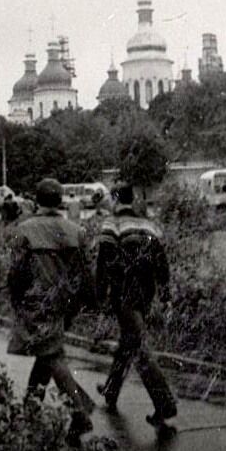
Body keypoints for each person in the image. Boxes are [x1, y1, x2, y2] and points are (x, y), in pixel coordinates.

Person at [6, 178, 97, 445]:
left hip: (37, 301)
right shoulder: (75, 231)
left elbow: (16, 272)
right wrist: (86, 302)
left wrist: (16, 299)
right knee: (47, 351)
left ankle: (80, 413)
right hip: (64, 302)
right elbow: (84, 272)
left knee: (52, 354)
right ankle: (30, 408)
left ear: (37, 200)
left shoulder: (24, 230)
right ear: (60, 201)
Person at [92, 184, 178, 430]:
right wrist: (166, 295)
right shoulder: (148, 225)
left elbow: (103, 265)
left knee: (139, 348)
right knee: (128, 342)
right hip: (145, 293)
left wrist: (100, 299)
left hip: (124, 294)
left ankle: (165, 404)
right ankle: (110, 389)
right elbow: (162, 263)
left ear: (116, 200)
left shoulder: (112, 225)